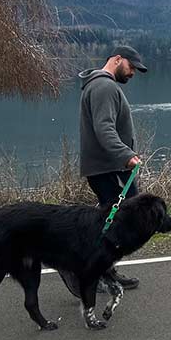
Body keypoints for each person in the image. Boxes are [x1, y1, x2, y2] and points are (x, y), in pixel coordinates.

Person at [59, 46, 148, 298]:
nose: (132, 73)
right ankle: (77, 269)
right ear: (117, 59)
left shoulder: (98, 85)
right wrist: (126, 155)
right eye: (131, 67)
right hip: (110, 167)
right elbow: (104, 128)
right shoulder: (104, 87)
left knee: (111, 223)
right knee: (117, 221)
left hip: (108, 167)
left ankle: (104, 270)